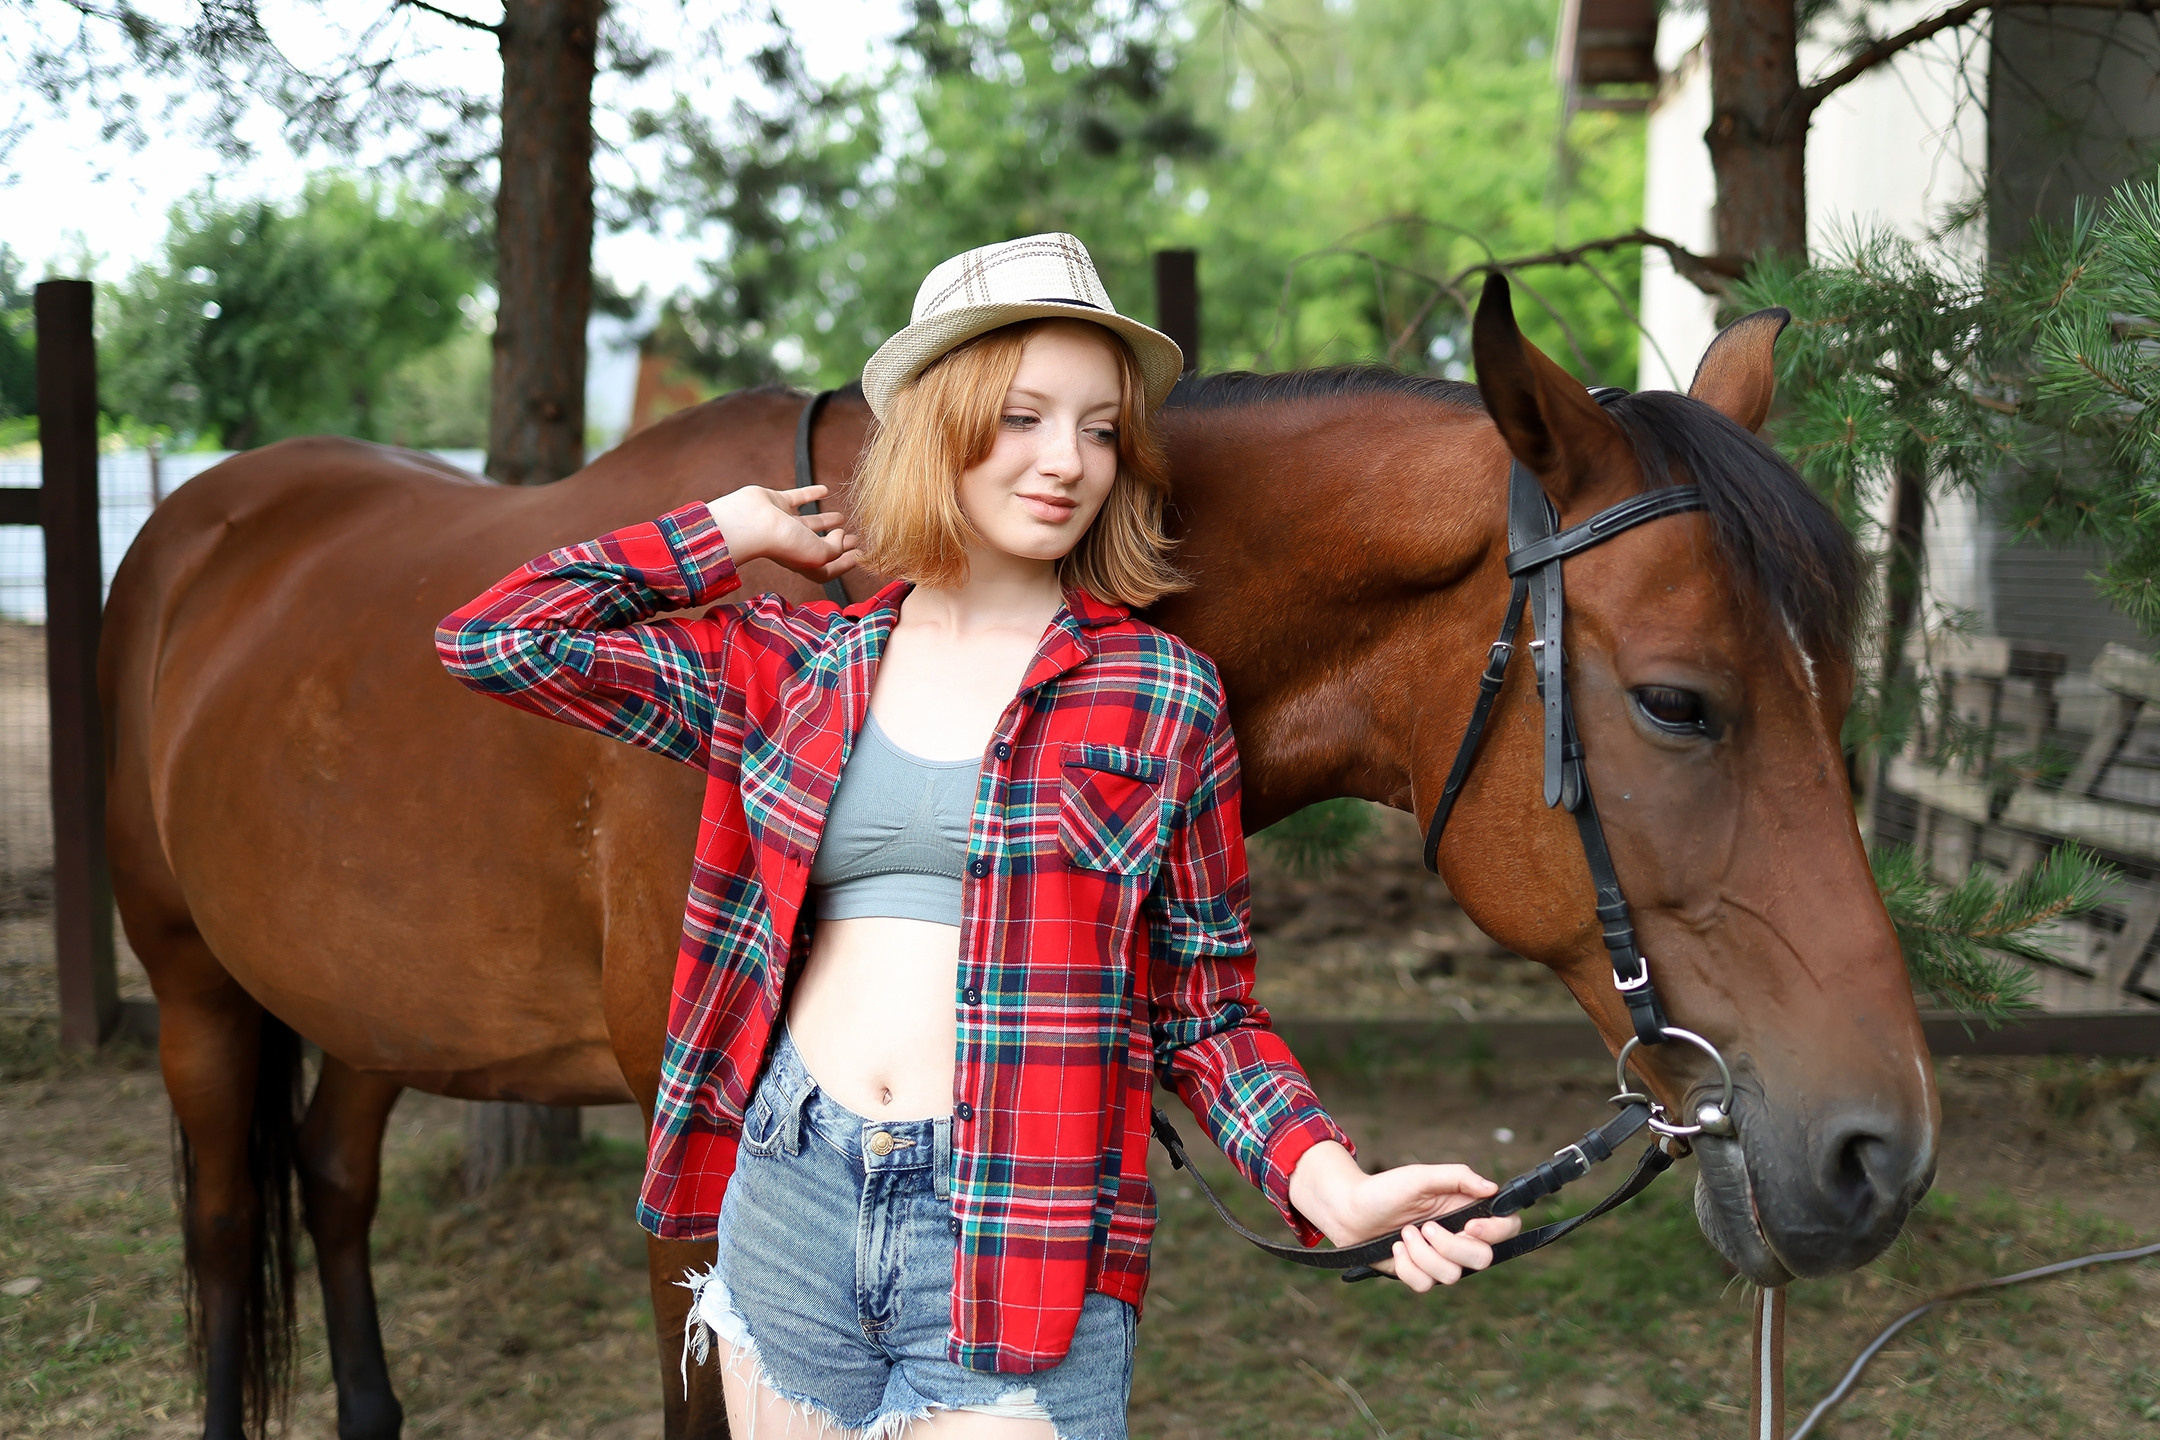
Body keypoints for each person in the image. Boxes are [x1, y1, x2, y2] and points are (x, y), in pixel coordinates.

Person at [438, 233, 1519, 1440]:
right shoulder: (793, 666)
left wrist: (1336, 1184)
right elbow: (499, 638)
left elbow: (1206, 1009)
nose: (1068, 461)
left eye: (1100, 428)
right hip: (790, 1182)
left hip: (1023, 1227)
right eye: (1020, 417)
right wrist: (722, 531)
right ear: (935, 428)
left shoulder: (1164, 698)